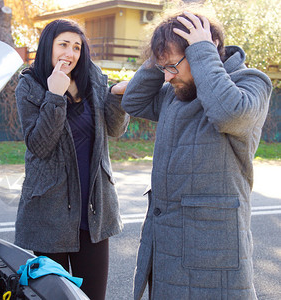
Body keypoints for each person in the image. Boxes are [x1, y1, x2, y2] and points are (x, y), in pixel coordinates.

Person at [121, 9, 272, 300]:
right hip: (166, 246)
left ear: (208, 48)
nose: (168, 77)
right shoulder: (176, 93)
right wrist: (160, 56)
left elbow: (229, 113)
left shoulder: (252, 83)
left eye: (173, 66)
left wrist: (202, 52)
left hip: (213, 256)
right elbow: (134, 101)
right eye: (163, 67)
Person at [14, 19, 129, 299]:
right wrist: (54, 94)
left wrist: (115, 97)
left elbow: (114, 130)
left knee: (92, 296)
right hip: (50, 210)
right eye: (63, 44)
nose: (70, 53)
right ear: (48, 47)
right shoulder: (29, 86)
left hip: (94, 208)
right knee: (56, 295)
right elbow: (40, 145)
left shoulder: (94, 78)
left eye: (76, 47)